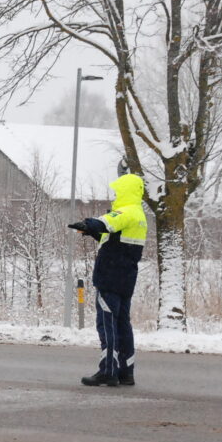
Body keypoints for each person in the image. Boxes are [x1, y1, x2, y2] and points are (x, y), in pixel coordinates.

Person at [68, 163, 148, 387]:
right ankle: (126, 371)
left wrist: (88, 223)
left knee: (107, 324)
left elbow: (106, 222)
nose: (115, 195)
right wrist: (92, 232)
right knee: (123, 323)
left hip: (110, 277)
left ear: (125, 191)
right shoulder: (139, 216)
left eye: (117, 191)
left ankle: (108, 372)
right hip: (125, 277)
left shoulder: (125, 211)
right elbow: (115, 241)